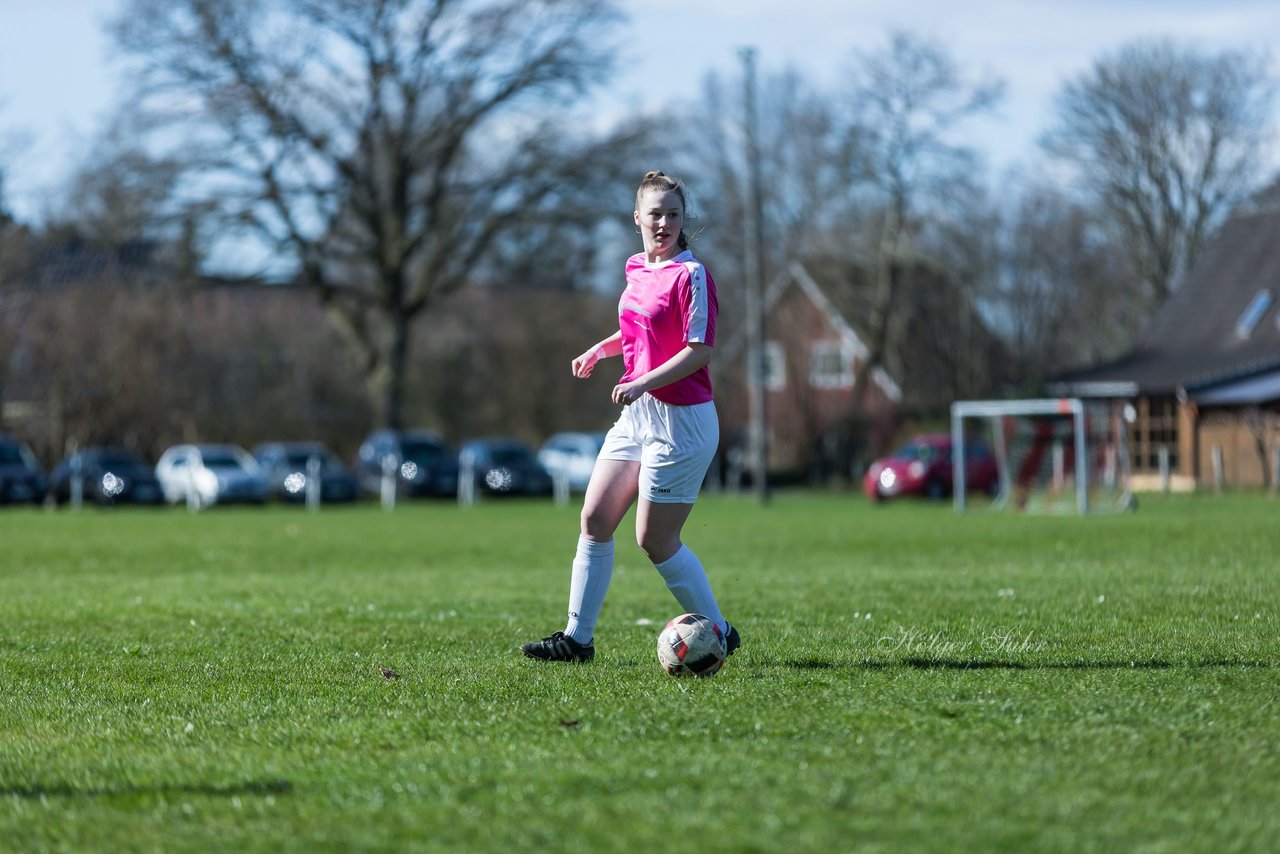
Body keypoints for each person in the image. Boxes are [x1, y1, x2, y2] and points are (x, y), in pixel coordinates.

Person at [521, 171, 740, 663]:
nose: (663, 222)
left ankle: (719, 633)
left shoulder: (692, 275)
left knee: (654, 539)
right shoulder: (636, 268)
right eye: (655, 213)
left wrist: (642, 381)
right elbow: (639, 331)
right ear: (637, 217)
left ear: (683, 221)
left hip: (682, 422)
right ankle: (577, 641)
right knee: (595, 518)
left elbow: (699, 350)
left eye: (673, 214)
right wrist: (602, 350)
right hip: (638, 415)